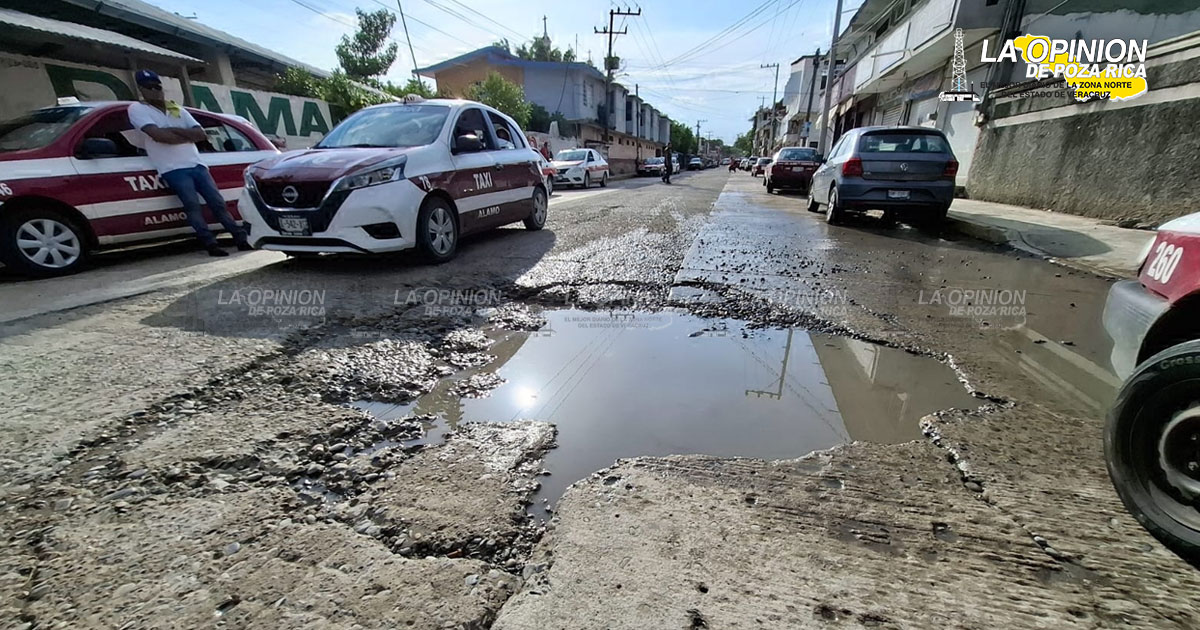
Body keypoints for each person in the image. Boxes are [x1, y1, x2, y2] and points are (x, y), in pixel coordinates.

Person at [126, 69, 251, 257]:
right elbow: (158, 136)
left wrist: (171, 132)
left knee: (218, 203)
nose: (155, 91)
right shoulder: (137, 109)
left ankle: (240, 238)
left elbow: (200, 134)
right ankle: (210, 244)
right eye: (149, 88)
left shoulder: (176, 108)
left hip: (196, 164)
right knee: (192, 206)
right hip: (173, 168)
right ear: (141, 90)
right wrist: (184, 134)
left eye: (157, 87)